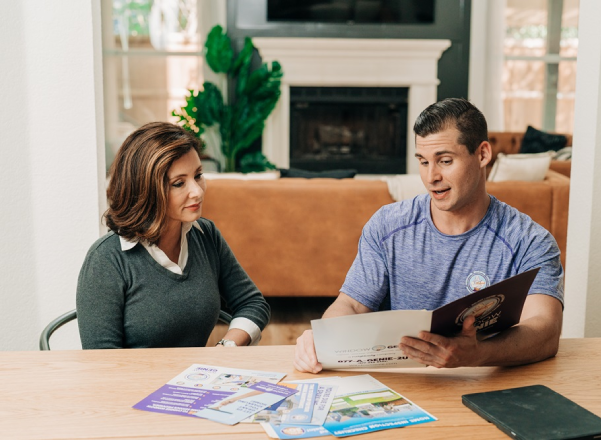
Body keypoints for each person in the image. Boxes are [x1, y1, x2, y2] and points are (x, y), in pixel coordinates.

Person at [294, 98, 564, 373]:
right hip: (403, 387)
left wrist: (478, 354)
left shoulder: (529, 240)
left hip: (487, 384)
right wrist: (325, 337)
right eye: (423, 161)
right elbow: (349, 304)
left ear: (482, 154)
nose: (431, 176)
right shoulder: (387, 225)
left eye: (445, 161)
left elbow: (545, 330)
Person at [77, 122, 270, 349]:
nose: (197, 191)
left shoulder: (205, 234)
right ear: (146, 189)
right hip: (135, 383)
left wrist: (226, 348)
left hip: (194, 381)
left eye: (198, 175)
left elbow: (252, 302)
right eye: (179, 183)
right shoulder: (107, 259)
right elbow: (102, 363)